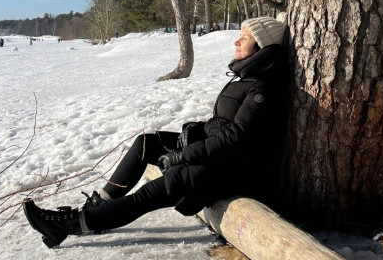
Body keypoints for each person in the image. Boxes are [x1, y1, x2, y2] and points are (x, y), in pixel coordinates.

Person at [22, 16, 289, 249]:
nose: (236, 42)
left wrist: (182, 156)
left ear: (262, 46)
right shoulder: (249, 79)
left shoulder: (262, 88)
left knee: (149, 194)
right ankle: (98, 206)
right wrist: (196, 130)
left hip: (231, 169)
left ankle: (71, 225)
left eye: (244, 37)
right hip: (216, 154)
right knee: (147, 143)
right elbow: (224, 125)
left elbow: (235, 140)